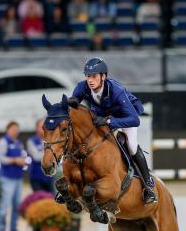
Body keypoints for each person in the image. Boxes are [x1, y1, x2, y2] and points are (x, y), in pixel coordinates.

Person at [67, 57, 157, 204]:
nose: (90, 80)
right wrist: (74, 101)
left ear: (104, 76)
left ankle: (148, 186)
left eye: (94, 76)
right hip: (103, 116)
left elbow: (134, 120)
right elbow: (74, 99)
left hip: (125, 117)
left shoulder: (117, 91)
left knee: (132, 146)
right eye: (88, 76)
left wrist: (109, 121)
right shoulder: (82, 86)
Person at [0, 121, 26, 231]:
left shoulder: (19, 143)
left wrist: (22, 161)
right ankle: (2, 230)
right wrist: (15, 160)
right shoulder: (3, 141)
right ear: (7, 129)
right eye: (13, 129)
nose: (15, 131)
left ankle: (13, 229)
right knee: (5, 205)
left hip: (18, 178)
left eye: (17, 129)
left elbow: (22, 157)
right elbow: (0, 158)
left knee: (17, 205)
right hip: (6, 178)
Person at [27, 119, 55, 193]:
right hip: (36, 177)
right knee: (40, 200)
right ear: (36, 128)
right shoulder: (31, 141)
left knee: (52, 200)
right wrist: (49, 151)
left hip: (49, 177)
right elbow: (36, 157)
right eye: (41, 126)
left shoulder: (51, 140)